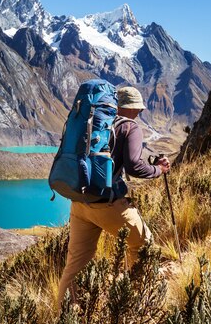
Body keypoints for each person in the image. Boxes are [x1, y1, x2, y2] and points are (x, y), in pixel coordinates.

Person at [57, 86, 170, 303]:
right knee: (143, 244)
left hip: (80, 202)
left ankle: (64, 314)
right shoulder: (130, 126)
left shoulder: (93, 121)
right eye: (138, 109)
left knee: (76, 264)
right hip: (107, 205)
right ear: (130, 108)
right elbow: (135, 166)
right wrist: (159, 170)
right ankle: (133, 301)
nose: (139, 113)